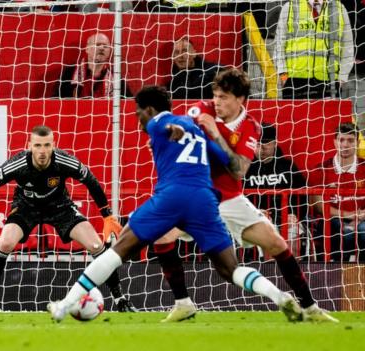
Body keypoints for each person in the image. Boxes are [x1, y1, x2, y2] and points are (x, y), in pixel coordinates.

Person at [48, 85, 301, 322]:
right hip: (204, 200)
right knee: (229, 269)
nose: (138, 121)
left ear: (149, 110)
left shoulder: (159, 123)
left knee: (120, 248)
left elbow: (167, 126)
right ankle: (278, 296)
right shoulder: (198, 131)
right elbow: (226, 160)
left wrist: (173, 130)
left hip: (172, 196)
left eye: (139, 114)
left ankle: (64, 305)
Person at [152, 68, 337, 323]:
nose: (216, 102)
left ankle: (310, 307)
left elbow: (239, 170)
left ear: (240, 99)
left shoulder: (250, 127)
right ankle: (183, 303)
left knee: (276, 243)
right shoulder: (199, 110)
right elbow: (178, 129)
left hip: (229, 198)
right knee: (161, 235)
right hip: (196, 196)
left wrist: (215, 134)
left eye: (224, 97)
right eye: (215, 95)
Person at [0, 125, 136, 313]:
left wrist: (108, 216)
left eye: (47, 145)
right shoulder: (19, 163)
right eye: (38, 145)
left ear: (53, 146)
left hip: (60, 206)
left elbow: (90, 180)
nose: (42, 151)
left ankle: (120, 299)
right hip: (26, 206)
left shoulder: (63, 161)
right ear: (29, 146)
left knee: (96, 245)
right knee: (5, 243)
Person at [244, 123, 310, 258]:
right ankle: (271, 274)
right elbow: (236, 197)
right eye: (258, 143)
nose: (261, 147)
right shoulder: (245, 167)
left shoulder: (287, 166)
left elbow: (304, 195)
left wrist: (296, 215)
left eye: (266, 143)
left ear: (275, 143)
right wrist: (254, 212)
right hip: (258, 218)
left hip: (287, 217)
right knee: (267, 235)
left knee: (293, 238)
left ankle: (291, 275)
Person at [308, 123, 365, 262]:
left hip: (362, 219)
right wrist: (349, 215)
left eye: (350, 140)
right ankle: (338, 266)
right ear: (335, 142)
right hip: (332, 221)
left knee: (363, 230)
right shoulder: (320, 170)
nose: (345, 145)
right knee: (339, 229)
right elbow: (317, 204)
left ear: (357, 142)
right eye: (341, 140)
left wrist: (361, 216)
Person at [274, 0, 354, 99]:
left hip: (329, 81)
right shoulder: (290, 7)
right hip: (294, 81)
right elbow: (278, 45)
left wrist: (342, 77)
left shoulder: (339, 9)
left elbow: (348, 45)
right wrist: (283, 75)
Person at [55, 33, 133, 98]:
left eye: (105, 46)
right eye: (98, 45)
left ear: (109, 52)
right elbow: (55, 101)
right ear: (87, 49)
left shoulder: (117, 80)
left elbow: (130, 105)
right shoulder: (68, 74)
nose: (102, 48)